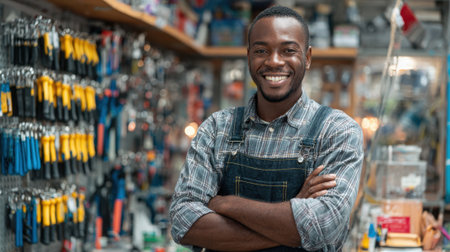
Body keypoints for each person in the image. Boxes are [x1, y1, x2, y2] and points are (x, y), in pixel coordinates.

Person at [169, 5, 363, 251]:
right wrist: (295, 215)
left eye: (288, 50)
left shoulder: (337, 131)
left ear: (308, 57)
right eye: (262, 50)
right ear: (249, 56)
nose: (274, 61)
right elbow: (182, 221)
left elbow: (325, 225)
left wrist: (227, 205)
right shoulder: (217, 128)